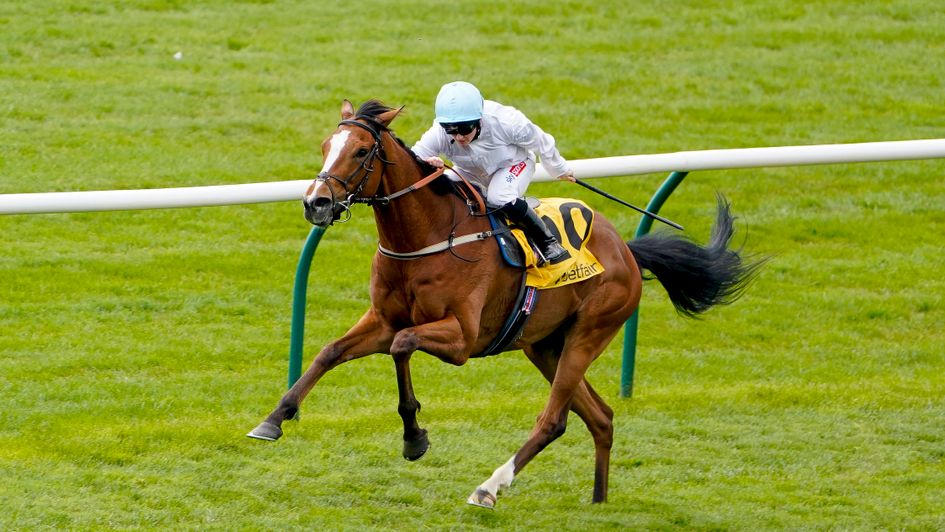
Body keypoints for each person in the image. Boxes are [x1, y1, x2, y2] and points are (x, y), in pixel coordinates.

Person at [412, 81, 576, 265]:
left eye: (465, 129)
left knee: (499, 197)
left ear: (479, 119)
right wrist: (429, 164)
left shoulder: (507, 121)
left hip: (513, 164)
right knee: (443, 190)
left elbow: (542, 142)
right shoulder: (440, 133)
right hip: (469, 171)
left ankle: (548, 242)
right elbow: (412, 158)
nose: (458, 137)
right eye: (451, 130)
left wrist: (559, 169)